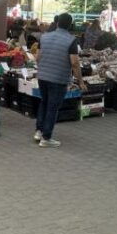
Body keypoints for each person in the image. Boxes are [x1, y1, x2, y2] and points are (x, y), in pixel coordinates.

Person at [34, 13, 86, 148]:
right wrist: (80, 81)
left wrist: (43, 69)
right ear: (70, 25)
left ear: (57, 23)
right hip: (58, 79)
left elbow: (37, 57)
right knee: (52, 107)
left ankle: (39, 131)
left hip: (43, 76)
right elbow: (74, 62)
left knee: (44, 102)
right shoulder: (71, 40)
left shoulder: (44, 37)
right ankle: (46, 138)